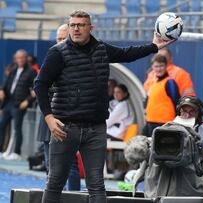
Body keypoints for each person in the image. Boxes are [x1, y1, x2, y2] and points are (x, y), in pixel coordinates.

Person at [34, 10, 172, 203]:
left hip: (96, 128)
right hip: (65, 128)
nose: (76, 28)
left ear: (90, 28)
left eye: (80, 25)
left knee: (97, 185)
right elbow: (40, 84)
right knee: (55, 182)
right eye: (72, 25)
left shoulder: (101, 49)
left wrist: (153, 46)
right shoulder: (57, 53)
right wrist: (49, 117)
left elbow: (127, 54)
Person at [36, 23, 81, 191]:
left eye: (64, 38)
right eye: (58, 38)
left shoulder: (76, 60)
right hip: (48, 120)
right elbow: (40, 86)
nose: (60, 41)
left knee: (71, 167)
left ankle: (74, 198)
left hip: (67, 120)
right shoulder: (51, 57)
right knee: (50, 168)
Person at [0, 49, 37, 160]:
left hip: (20, 104)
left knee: (17, 128)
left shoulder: (31, 71)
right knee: (1, 125)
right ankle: (1, 150)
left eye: (22, 57)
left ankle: (16, 152)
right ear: (15, 59)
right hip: (8, 102)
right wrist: (1, 90)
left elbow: (36, 89)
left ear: (26, 58)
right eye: (18, 58)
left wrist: (27, 101)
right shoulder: (13, 69)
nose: (20, 60)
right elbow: (5, 84)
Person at [142, 54, 180, 137]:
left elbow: (177, 102)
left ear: (166, 66)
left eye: (161, 66)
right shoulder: (153, 82)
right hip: (150, 121)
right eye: (156, 66)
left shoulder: (170, 82)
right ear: (152, 67)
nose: (159, 69)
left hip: (164, 124)